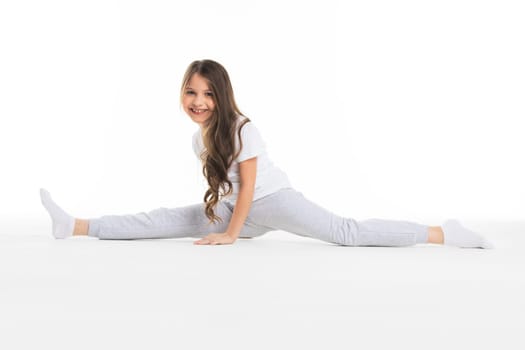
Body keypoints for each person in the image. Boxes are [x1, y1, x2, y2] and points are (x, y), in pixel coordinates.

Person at [40, 59, 493, 249]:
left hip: (273, 202)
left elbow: (253, 186)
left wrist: (230, 235)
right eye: (190, 92)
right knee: (169, 218)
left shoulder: (241, 127)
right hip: (241, 211)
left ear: (222, 97)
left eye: (208, 94)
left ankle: (443, 233)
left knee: (347, 233)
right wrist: (221, 215)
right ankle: (77, 225)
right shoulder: (199, 138)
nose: (197, 102)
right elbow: (231, 188)